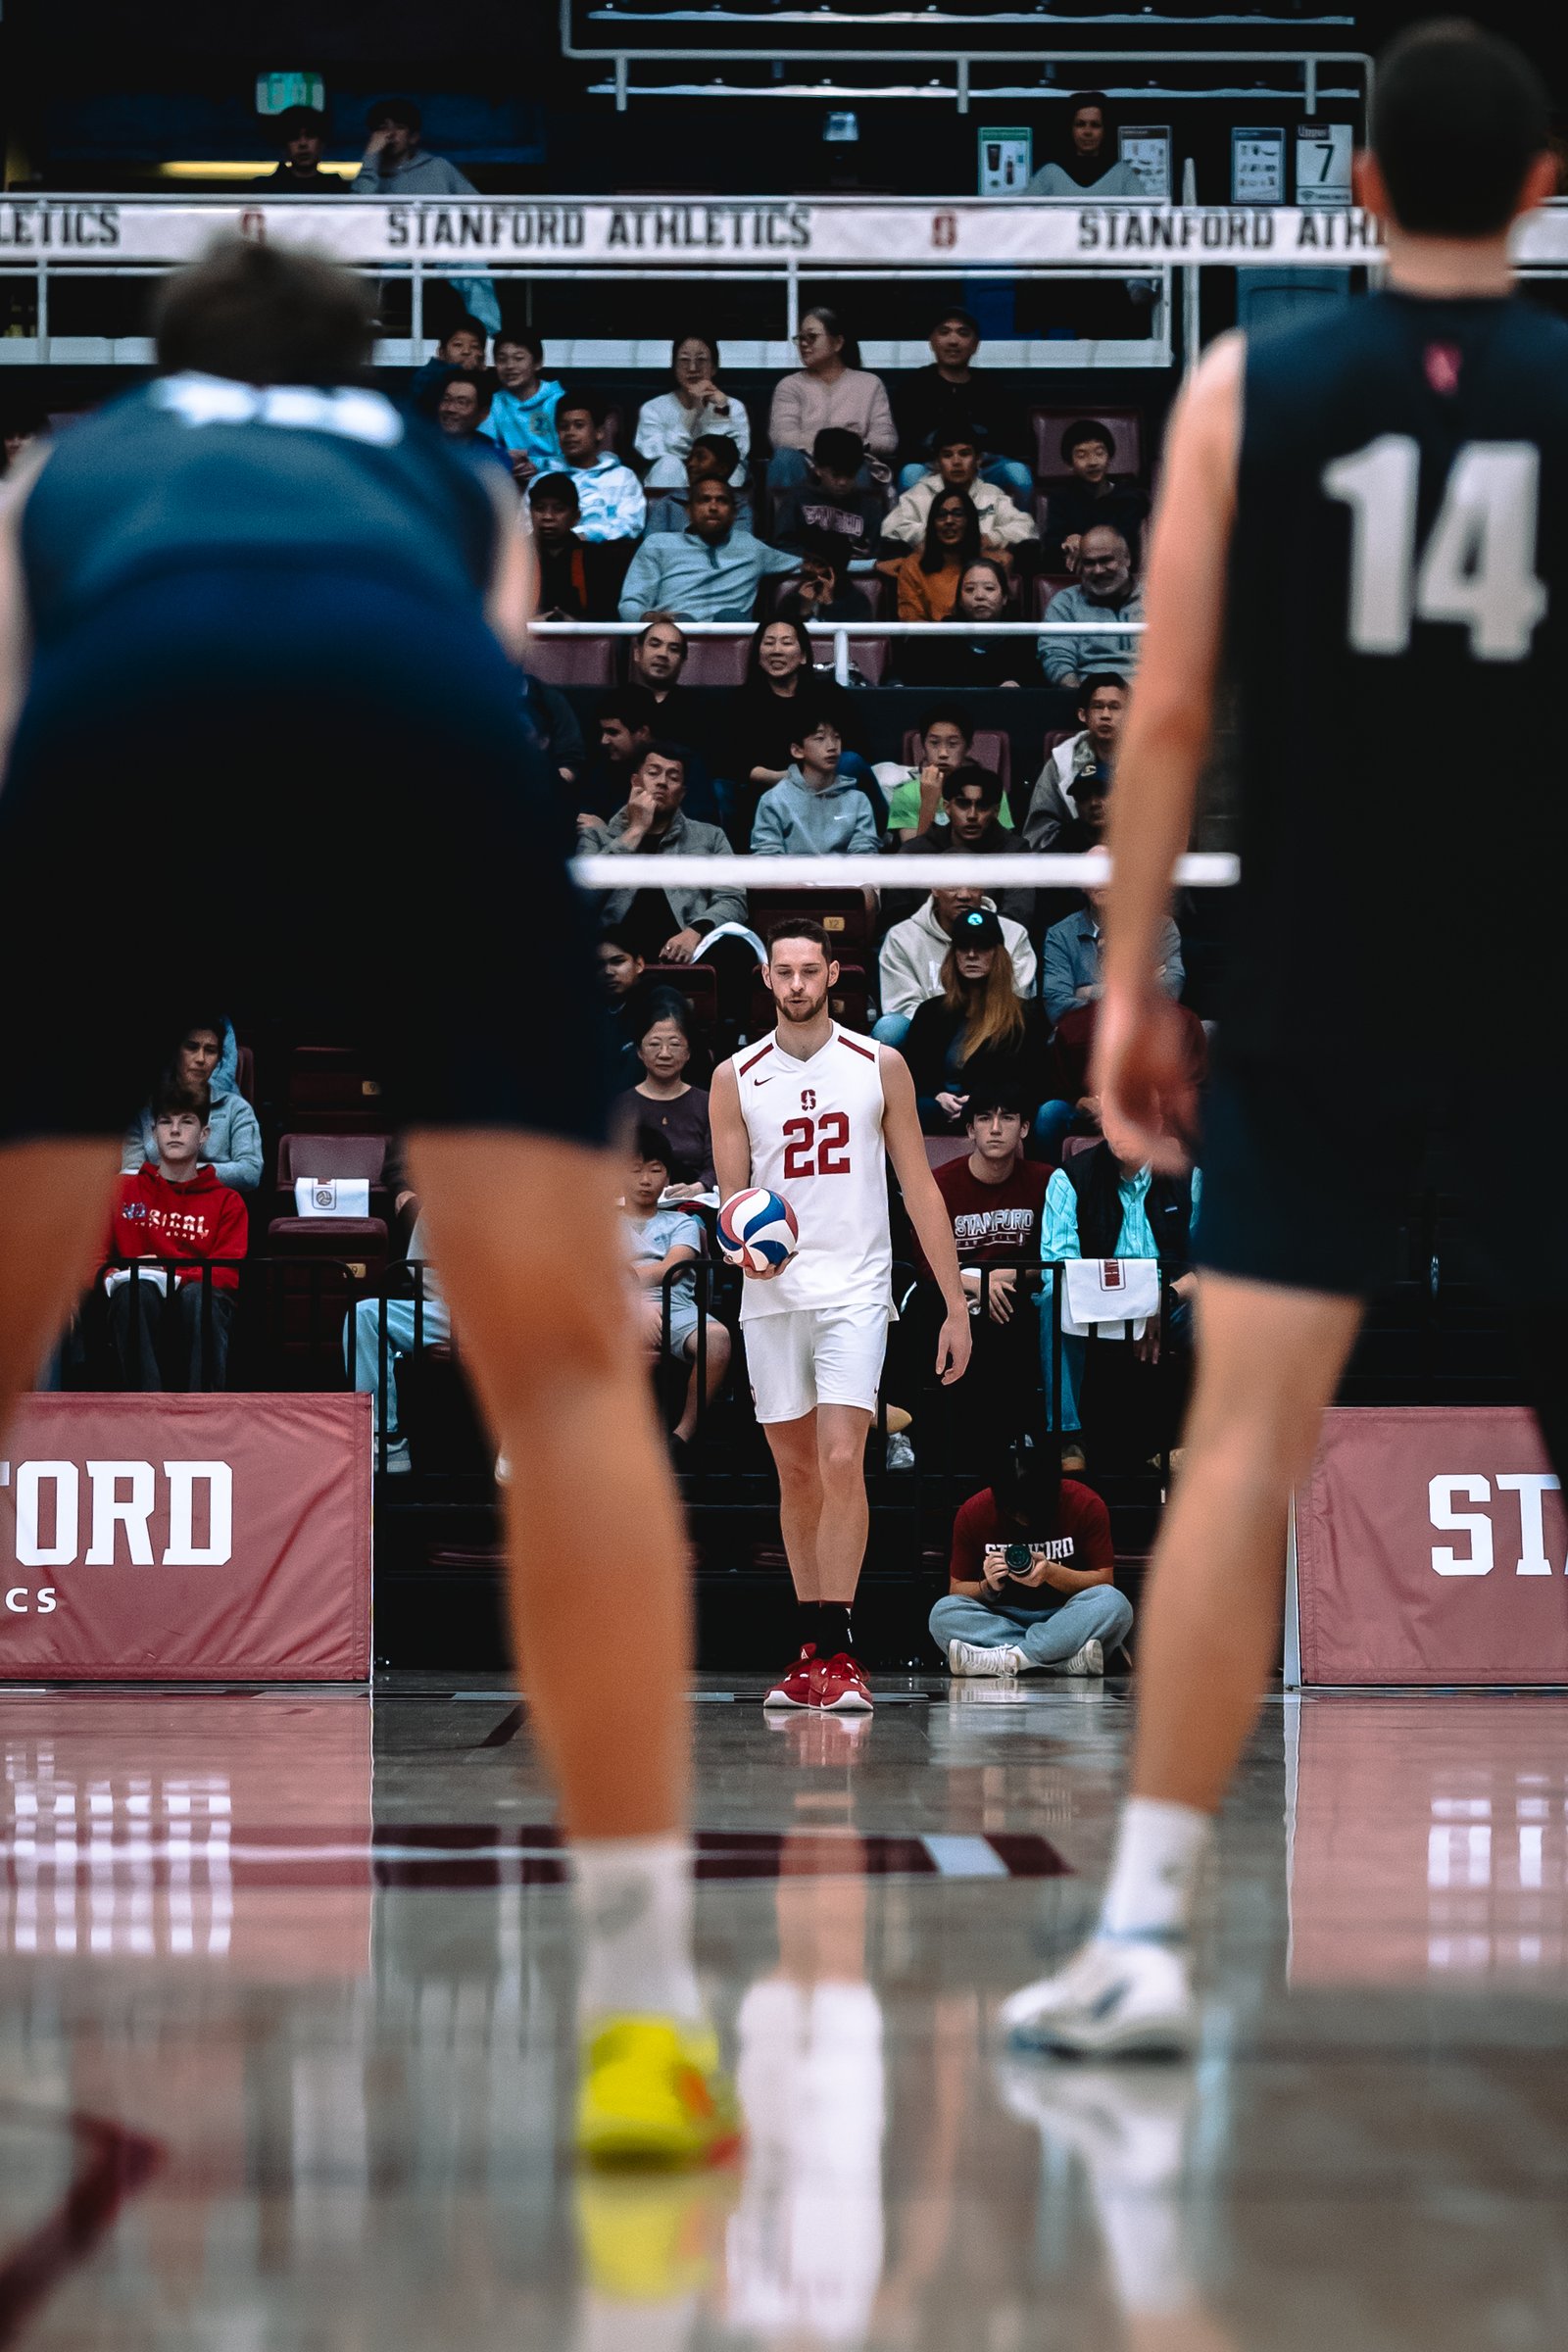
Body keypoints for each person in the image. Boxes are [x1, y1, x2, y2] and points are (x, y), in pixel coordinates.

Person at [0, 236, 729, 2156]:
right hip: (418, 731)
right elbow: (500, 695)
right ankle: (644, 2029)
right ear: (357, 368)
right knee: (570, 1388)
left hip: (114, 719)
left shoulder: (62, 470)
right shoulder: (453, 472)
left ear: (171, 364)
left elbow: (17, 715)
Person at [1001, 22, 1568, 2063]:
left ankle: (1143, 1938)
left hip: (1316, 978)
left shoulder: (1252, 381)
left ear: (1350, 186)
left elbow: (1160, 717)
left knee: (1235, 1453)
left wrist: (1130, 974)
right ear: (1536, 185)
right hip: (1539, 992)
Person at [710, 920, 972, 1713]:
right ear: (767, 981)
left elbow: (920, 1189)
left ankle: (841, 1647)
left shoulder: (878, 1063)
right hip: (773, 1296)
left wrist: (955, 1304)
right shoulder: (735, 1076)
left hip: (857, 1289)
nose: (796, 984)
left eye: (808, 971)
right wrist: (741, 1248)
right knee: (794, 1473)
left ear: (833, 975)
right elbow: (731, 1205)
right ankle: (806, 1650)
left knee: (838, 1458)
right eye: (782, 973)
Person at [1036, 1138, 1199, 1446]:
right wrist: (1133, 1301)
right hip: (1097, 1301)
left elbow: (1213, 1264)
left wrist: (1160, 1299)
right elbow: (1056, 1268)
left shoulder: (1190, 1177)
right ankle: (1066, 1438)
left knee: (1219, 1307)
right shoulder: (1069, 1177)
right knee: (1052, 1299)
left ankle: (1204, 1440)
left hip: (1170, 1299)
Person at [931, 1443, 1131, 1677]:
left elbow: (1104, 1581)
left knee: (1115, 1605)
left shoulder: (1085, 1503)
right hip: (1002, 1619)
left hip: (1067, 1616)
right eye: (1014, 1513)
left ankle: (1009, 1659)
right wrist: (988, 1586)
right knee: (942, 1613)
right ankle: (1061, 1661)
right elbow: (956, 1590)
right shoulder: (974, 1511)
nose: (1024, 1521)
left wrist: (1051, 1573)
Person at [101, 1081, 247, 1392]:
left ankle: (202, 1414)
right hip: (139, 1305)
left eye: (187, 1122)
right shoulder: (123, 1191)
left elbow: (227, 1275)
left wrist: (168, 1274)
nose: (175, 1131)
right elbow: (94, 1259)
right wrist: (112, 1277)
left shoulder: (228, 1202)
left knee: (200, 1296)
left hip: (197, 1307)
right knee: (133, 1289)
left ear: (204, 1135)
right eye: (166, 1122)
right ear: (154, 1132)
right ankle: (147, 1413)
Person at [583, 739, 748, 958]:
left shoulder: (710, 836)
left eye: (673, 777)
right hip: (615, 953)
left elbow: (732, 899)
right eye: (653, 773)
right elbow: (581, 899)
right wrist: (634, 831)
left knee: (735, 950)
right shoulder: (597, 835)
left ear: (682, 793)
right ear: (635, 782)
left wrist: (696, 931)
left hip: (687, 949)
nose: (662, 782)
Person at [623, 1125, 731, 1450]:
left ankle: (682, 1434)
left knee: (718, 1340)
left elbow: (673, 1266)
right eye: (635, 1169)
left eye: (655, 1170)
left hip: (676, 1305)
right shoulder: (599, 1221)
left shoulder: (683, 1221)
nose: (645, 1179)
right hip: (614, 1305)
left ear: (668, 1176)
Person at [902, 907, 1053, 1137]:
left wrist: (983, 1101)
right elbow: (912, 1076)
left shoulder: (1026, 1015)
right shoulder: (930, 1013)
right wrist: (937, 1096)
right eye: (963, 947)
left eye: (982, 947)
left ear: (997, 955)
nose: (972, 954)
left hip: (997, 1116)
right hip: (939, 1114)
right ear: (954, 955)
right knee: (918, 1109)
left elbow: (1035, 1085)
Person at [354, 100, 499, 335]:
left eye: (398, 127)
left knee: (473, 263)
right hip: (395, 268)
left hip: (446, 259)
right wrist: (370, 156)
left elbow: (480, 210)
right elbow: (357, 211)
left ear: (413, 136)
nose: (390, 134)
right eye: (382, 128)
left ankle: (488, 338)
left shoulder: (438, 167)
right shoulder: (368, 176)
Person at [345, 1206, 452, 1472]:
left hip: (519, 1314)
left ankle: (524, 1444)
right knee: (366, 1314)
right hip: (451, 1311)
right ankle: (385, 1441)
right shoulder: (440, 1201)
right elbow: (422, 1270)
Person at [895, 309, 1033, 505]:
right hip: (933, 466)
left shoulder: (992, 387)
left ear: (975, 345)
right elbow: (907, 441)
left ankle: (1020, 533)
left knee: (1018, 474)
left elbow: (1012, 438)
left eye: (963, 333)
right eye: (944, 332)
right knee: (910, 474)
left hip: (984, 466)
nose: (953, 341)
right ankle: (916, 534)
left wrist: (980, 457)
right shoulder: (914, 386)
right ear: (932, 342)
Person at [876, 886, 1036, 1047]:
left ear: (983, 889)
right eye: (952, 886)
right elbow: (902, 1007)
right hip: (928, 1031)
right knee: (890, 1028)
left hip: (995, 1028)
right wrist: (949, 1025)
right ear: (935, 889)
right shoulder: (902, 937)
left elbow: (1015, 999)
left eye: (973, 885)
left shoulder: (1014, 933)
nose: (964, 895)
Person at [618, 478, 797, 622]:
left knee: (730, 617)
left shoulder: (752, 547)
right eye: (704, 500)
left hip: (732, 639)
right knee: (681, 622)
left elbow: (804, 565)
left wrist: (819, 574)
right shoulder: (658, 544)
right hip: (673, 634)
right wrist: (649, 617)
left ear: (734, 513)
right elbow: (631, 603)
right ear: (689, 511)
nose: (713, 507)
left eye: (722, 501)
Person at [122, 1017, 263, 1195]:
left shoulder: (237, 1109)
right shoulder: (144, 1111)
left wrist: (183, 1171)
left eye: (210, 1051)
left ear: (219, 1060)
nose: (201, 1059)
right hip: (157, 1205)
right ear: (175, 1052)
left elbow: (250, 1172)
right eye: (192, 1047)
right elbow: (132, 1174)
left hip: (216, 1208)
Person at [767, 307, 897, 495]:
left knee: (854, 466)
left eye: (811, 337)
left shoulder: (869, 383)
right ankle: (788, 523)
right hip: (805, 465)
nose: (803, 344)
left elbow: (886, 439)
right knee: (784, 459)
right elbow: (783, 438)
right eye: (800, 338)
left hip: (854, 464)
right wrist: (840, 444)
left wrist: (850, 449)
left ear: (837, 343)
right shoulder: (789, 385)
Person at [901, 760, 1034, 925]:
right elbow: (898, 919)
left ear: (996, 811)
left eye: (982, 806)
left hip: (993, 945)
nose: (972, 815)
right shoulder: (916, 852)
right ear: (947, 807)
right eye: (963, 804)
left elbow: (1016, 919)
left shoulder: (1014, 852)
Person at [880, 424, 1037, 560]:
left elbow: (1027, 527)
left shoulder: (991, 494)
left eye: (964, 454)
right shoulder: (920, 492)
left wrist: (992, 538)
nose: (956, 462)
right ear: (937, 462)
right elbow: (890, 528)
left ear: (978, 460)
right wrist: (935, 537)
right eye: (947, 455)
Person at [1041, 883, 1183, 1029]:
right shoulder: (1061, 934)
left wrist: (1088, 992)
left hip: (1146, 1033)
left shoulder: (1162, 928)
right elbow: (1057, 1007)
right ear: (1083, 885)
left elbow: (1169, 993)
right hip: (1083, 1038)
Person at [614, 996, 714, 1195]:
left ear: (688, 1053)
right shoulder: (621, 1105)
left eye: (675, 1045)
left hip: (695, 1206)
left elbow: (718, 1163)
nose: (665, 1053)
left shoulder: (708, 1103)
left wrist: (698, 1187)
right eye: (654, 1044)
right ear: (639, 1052)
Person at [751, 710, 880, 858]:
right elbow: (768, 861)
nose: (832, 746)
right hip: (792, 881)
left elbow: (864, 857)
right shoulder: (774, 800)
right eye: (820, 738)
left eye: (836, 737)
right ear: (797, 750)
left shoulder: (858, 800)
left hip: (844, 881)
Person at [635, 331, 751, 497]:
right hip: (672, 482)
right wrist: (693, 413)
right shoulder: (653, 408)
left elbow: (736, 452)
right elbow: (653, 453)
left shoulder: (733, 406)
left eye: (701, 360)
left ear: (714, 367)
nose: (692, 368)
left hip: (718, 488)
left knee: (731, 469)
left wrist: (720, 410)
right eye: (684, 360)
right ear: (674, 366)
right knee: (669, 464)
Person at [1023, 672, 1128, 850]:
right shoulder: (1061, 761)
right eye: (1097, 706)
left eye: (1115, 707)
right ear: (1082, 715)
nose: (1106, 715)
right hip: (1073, 861)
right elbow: (1039, 833)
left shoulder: (1147, 762)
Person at [883, 707, 1016, 840]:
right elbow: (916, 855)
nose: (943, 753)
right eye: (934, 743)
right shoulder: (905, 794)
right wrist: (928, 802)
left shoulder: (992, 790)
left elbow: (1003, 848)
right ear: (923, 746)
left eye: (952, 744)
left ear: (968, 747)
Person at [1038, 527, 1143, 689]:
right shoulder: (1065, 603)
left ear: (1127, 558)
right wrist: (1082, 699)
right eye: (1089, 563)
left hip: (1151, 699)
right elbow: (1057, 658)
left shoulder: (1158, 599)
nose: (1098, 570)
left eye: (1106, 560)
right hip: (1089, 698)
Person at [1042, 420, 1151, 575]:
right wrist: (1067, 541)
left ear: (1109, 457)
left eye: (1099, 453)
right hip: (1075, 579)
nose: (1092, 462)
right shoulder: (1060, 499)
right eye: (1082, 455)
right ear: (1069, 464)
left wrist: (1084, 543)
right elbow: (1051, 546)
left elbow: (1129, 546)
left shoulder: (1130, 498)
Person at [526, 474, 628, 621]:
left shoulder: (597, 558)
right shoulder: (512, 557)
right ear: (530, 512)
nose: (547, 516)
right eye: (539, 508)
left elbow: (608, 614)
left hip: (584, 639)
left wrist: (576, 625)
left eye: (559, 509)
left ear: (576, 517)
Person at [771, 426, 888, 556]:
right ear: (818, 469)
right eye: (836, 475)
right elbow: (783, 547)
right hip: (809, 571)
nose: (842, 482)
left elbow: (878, 551)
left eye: (849, 475)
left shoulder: (869, 507)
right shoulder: (796, 501)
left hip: (855, 571)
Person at [923, 559, 1035, 690]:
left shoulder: (1024, 637)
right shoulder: (942, 636)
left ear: (1004, 597)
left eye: (989, 588)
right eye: (970, 589)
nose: (979, 596)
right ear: (959, 600)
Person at [557, 393, 646, 544]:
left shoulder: (623, 477)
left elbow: (632, 524)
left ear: (599, 432)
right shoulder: (544, 478)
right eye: (563, 427)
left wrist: (585, 535)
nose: (570, 433)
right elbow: (524, 528)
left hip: (605, 557)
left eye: (579, 425)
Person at [480, 330, 564, 487]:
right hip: (509, 484)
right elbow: (484, 452)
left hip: (557, 483)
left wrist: (539, 466)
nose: (510, 366)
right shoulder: (494, 403)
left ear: (537, 363)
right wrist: (506, 460)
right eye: (501, 359)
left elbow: (574, 455)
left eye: (518, 358)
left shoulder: (558, 401)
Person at [1026, 91, 1144, 197]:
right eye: (1080, 124)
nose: (1087, 132)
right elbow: (1020, 213)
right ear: (1070, 129)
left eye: (1095, 125)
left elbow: (1147, 212)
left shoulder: (1122, 174)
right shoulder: (1050, 173)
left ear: (1105, 130)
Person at [893, 489, 983, 626]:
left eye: (957, 514)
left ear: (970, 520)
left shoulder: (987, 565)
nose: (949, 521)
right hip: (931, 643)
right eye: (941, 515)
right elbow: (912, 624)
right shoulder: (913, 566)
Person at [642, 432, 749, 540]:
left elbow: (741, 549)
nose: (690, 464)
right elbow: (651, 547)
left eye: (700, 458)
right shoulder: (668, 504)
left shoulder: (740, 506)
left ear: (722, 468)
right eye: (690, 458)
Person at [579, 686, 658, 825]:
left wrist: (606, 833)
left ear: (642, 732)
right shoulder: (602, 766)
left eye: (613, 732)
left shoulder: (681, 766)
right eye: (603, 732)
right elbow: (586, 820)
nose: (604, 741)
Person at [253, 106, 345, 193]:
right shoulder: (265, 188)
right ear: (284, 147)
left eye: (310, 136)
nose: (303, 143)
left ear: (322, 144)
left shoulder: (336, 188)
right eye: (294, 137)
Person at [406, 317, 487, 410]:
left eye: (474, 346)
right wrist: (457, 370)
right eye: (458, 345)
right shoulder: (428, 375)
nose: (466, 351)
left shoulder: (484, 379)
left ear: (482, 354)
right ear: (441, 352)